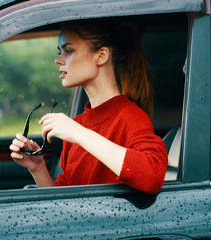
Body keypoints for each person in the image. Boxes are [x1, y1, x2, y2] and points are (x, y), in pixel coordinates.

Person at [9, 18, 168, 194]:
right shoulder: (77, 126)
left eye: (68, 51)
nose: (58, 60)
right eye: (59, 52)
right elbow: (65, 201)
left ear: (101, 56)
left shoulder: (130, 117)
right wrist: (37, 168)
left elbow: (152, 177)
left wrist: (78, 133)